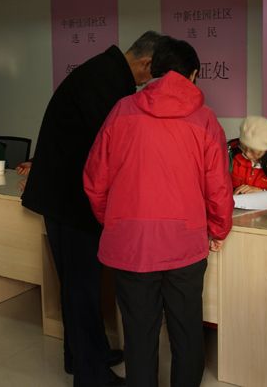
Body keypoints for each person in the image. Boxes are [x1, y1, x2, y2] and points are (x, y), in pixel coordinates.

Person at [83, 36, 233, 387]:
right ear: (193, 75)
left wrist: (115, 222)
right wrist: (219, 229)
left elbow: (94, 180)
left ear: (153, 69)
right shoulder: (205, 119)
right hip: (185, 244)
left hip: (131, 245)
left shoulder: (121, 110)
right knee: (187, 331)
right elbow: (218, 187)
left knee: (138, 334)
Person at [21, 30, 162, 387]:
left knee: (77, 285)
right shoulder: (107, 82)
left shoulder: (104, 71)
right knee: (81, 288)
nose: (148, 83)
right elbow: (109, 152)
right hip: (71, 201)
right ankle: (91, 375)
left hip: (64, 196)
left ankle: (83, 355)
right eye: (152, 74)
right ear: (146, 63)